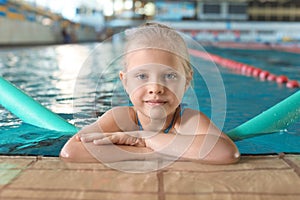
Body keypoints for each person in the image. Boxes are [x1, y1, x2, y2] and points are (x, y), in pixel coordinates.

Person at [60, 22, 240, 164]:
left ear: (186, 81)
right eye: (142, 76)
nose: (156, 88)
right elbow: (71, 151)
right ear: (125, 81)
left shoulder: (188, 120)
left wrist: (145, 138)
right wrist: (154, 151)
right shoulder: (119, 118)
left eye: (169, 75)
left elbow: (227, 153)